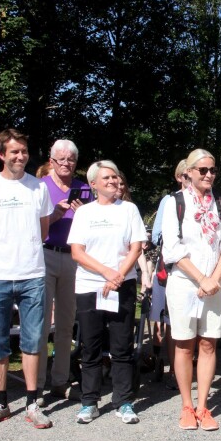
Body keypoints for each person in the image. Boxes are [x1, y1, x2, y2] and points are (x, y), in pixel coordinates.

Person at [0, 128, 53, 429]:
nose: (20, 156)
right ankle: (0, 402)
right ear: (2, 155)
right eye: (14, 152)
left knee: (33, 341)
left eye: (24, 151)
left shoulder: (38, 188)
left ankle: (33, 402)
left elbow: (43, 229)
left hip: (32, 273)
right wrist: (2, 253)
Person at [68, 160, 147, 424]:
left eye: (115, 177)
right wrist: (106, 273)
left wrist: (118, 276)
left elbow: (136, 247)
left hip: (122, 285)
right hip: (91, 286)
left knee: (121, 345)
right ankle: (89, 400)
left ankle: (123, 401)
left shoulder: (130, 209)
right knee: (90, 346)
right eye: (106, 178)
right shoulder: (84, 213)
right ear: (93, 185)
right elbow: (77, 252)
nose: (113, 181)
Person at [162, 149, 221, 430]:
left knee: (208, 342)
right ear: (189, 173)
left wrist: (213, 278)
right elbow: (172, 248)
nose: (208, 175)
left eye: (212, 170)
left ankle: (203, 406)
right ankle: (186, 405)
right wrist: (200, 278)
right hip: (184, 282)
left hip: (215, 282)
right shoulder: (175, 202)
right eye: (202, 170)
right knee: (183, 343)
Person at [37, 140, 91, 406]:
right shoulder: (40, 187)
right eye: (60, 159)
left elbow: (94, 225)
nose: (66, 164)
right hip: (45, 255)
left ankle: (60, 381)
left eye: (70, 160)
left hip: (73, 257)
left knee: (67, 323)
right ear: (51, 160)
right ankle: (35, 385)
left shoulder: (84, 188)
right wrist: (54, 216)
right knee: (41, 322)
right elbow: (32, 228)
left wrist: (85, 216)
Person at [150, 159, 189, 390]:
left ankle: (181, 368)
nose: (188, 180)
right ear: (178, 177)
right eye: (185, 176)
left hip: (194, 268)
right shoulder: (169, 200)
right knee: (167, 321)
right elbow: (157, 235)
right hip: (169, 267)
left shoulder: (206, 200)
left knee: (182, 321)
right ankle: (168, 365)